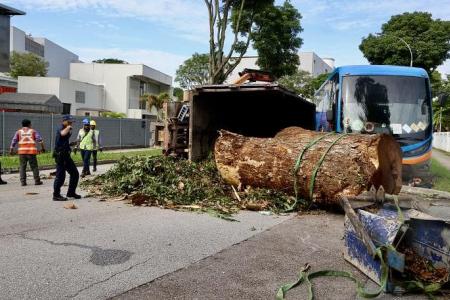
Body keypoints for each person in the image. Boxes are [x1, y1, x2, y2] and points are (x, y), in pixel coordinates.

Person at [53, 115, 80, 201]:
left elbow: (63, 141)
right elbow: (62, 133)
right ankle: (56, 195)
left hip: (66, 155)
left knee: (75, 173)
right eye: (69, 122)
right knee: (60, 176)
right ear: (64, 121)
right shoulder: (61, 128)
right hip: (60, 155)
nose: (71, 124)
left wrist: (72, 143)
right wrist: (68, 127)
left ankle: (71, 192)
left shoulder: (66, 129)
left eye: (71, 122)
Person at [9, 119, 44, 186]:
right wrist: (43, 148)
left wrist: (11, 150)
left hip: (22, 152)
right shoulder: (33, 131)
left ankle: (23, 182)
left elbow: (13, 141)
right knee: (34, 167)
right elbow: (40, 140)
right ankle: (37, 181)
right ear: (29, 124)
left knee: (22, 167)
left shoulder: (18, 132)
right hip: (31, 152)